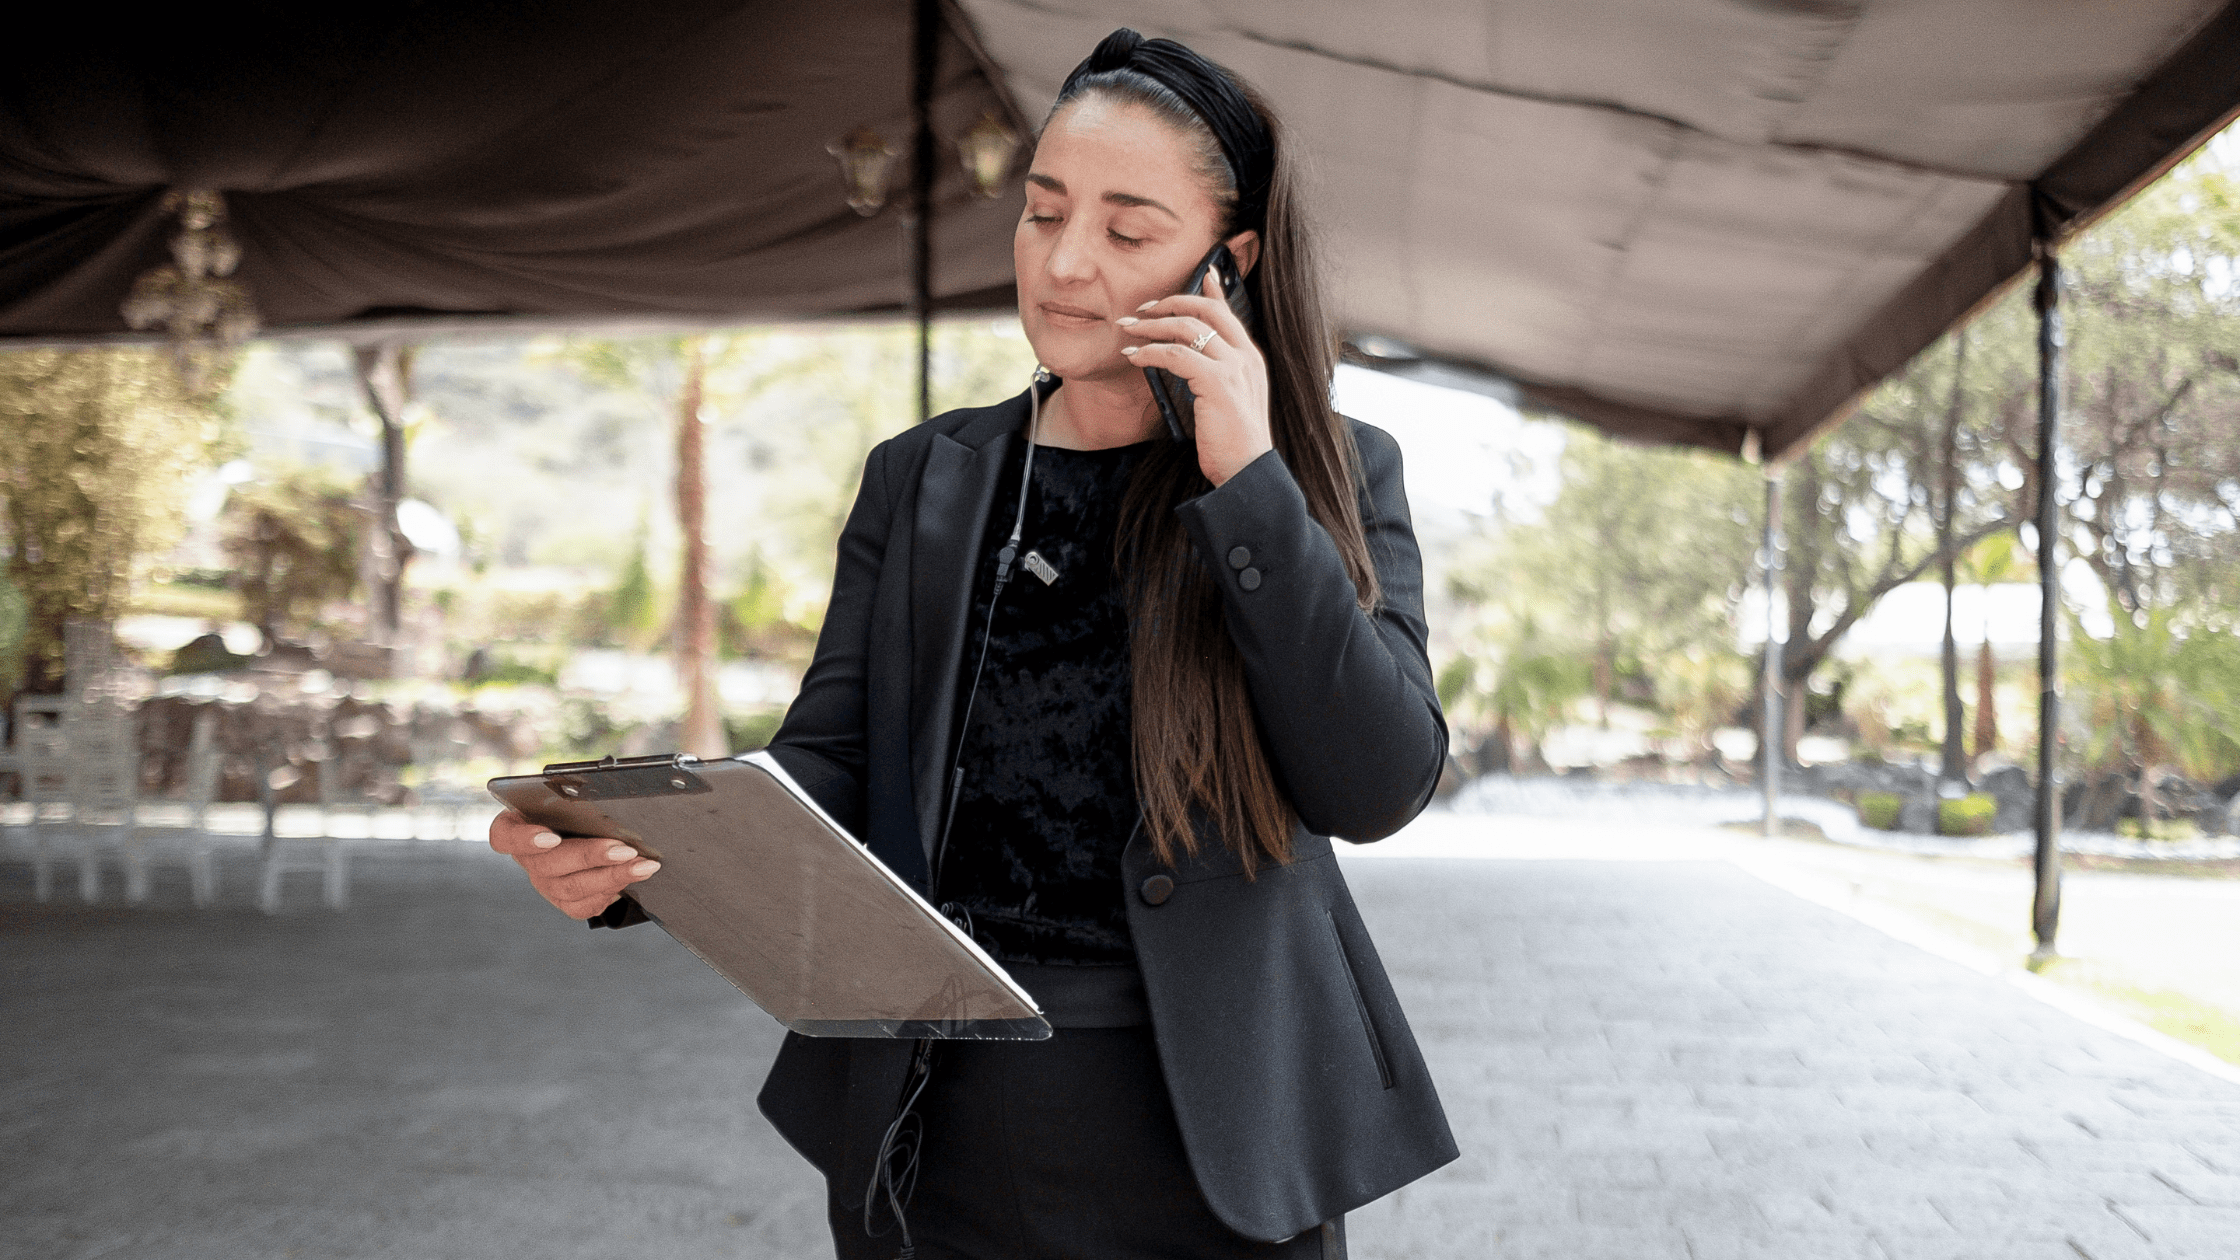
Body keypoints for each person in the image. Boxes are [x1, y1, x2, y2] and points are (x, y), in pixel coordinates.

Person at [489, 28, 1455, 1260]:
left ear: (1231, 260)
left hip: (1211, 1135)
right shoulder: (924, 480)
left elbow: (1374, 785)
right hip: (933, 1121)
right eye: (1042, 212)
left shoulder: (1329, 473)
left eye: (1126, 228)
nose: (1062, 263)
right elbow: (828, 772)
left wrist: (1248, 480)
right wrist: (631, 852)